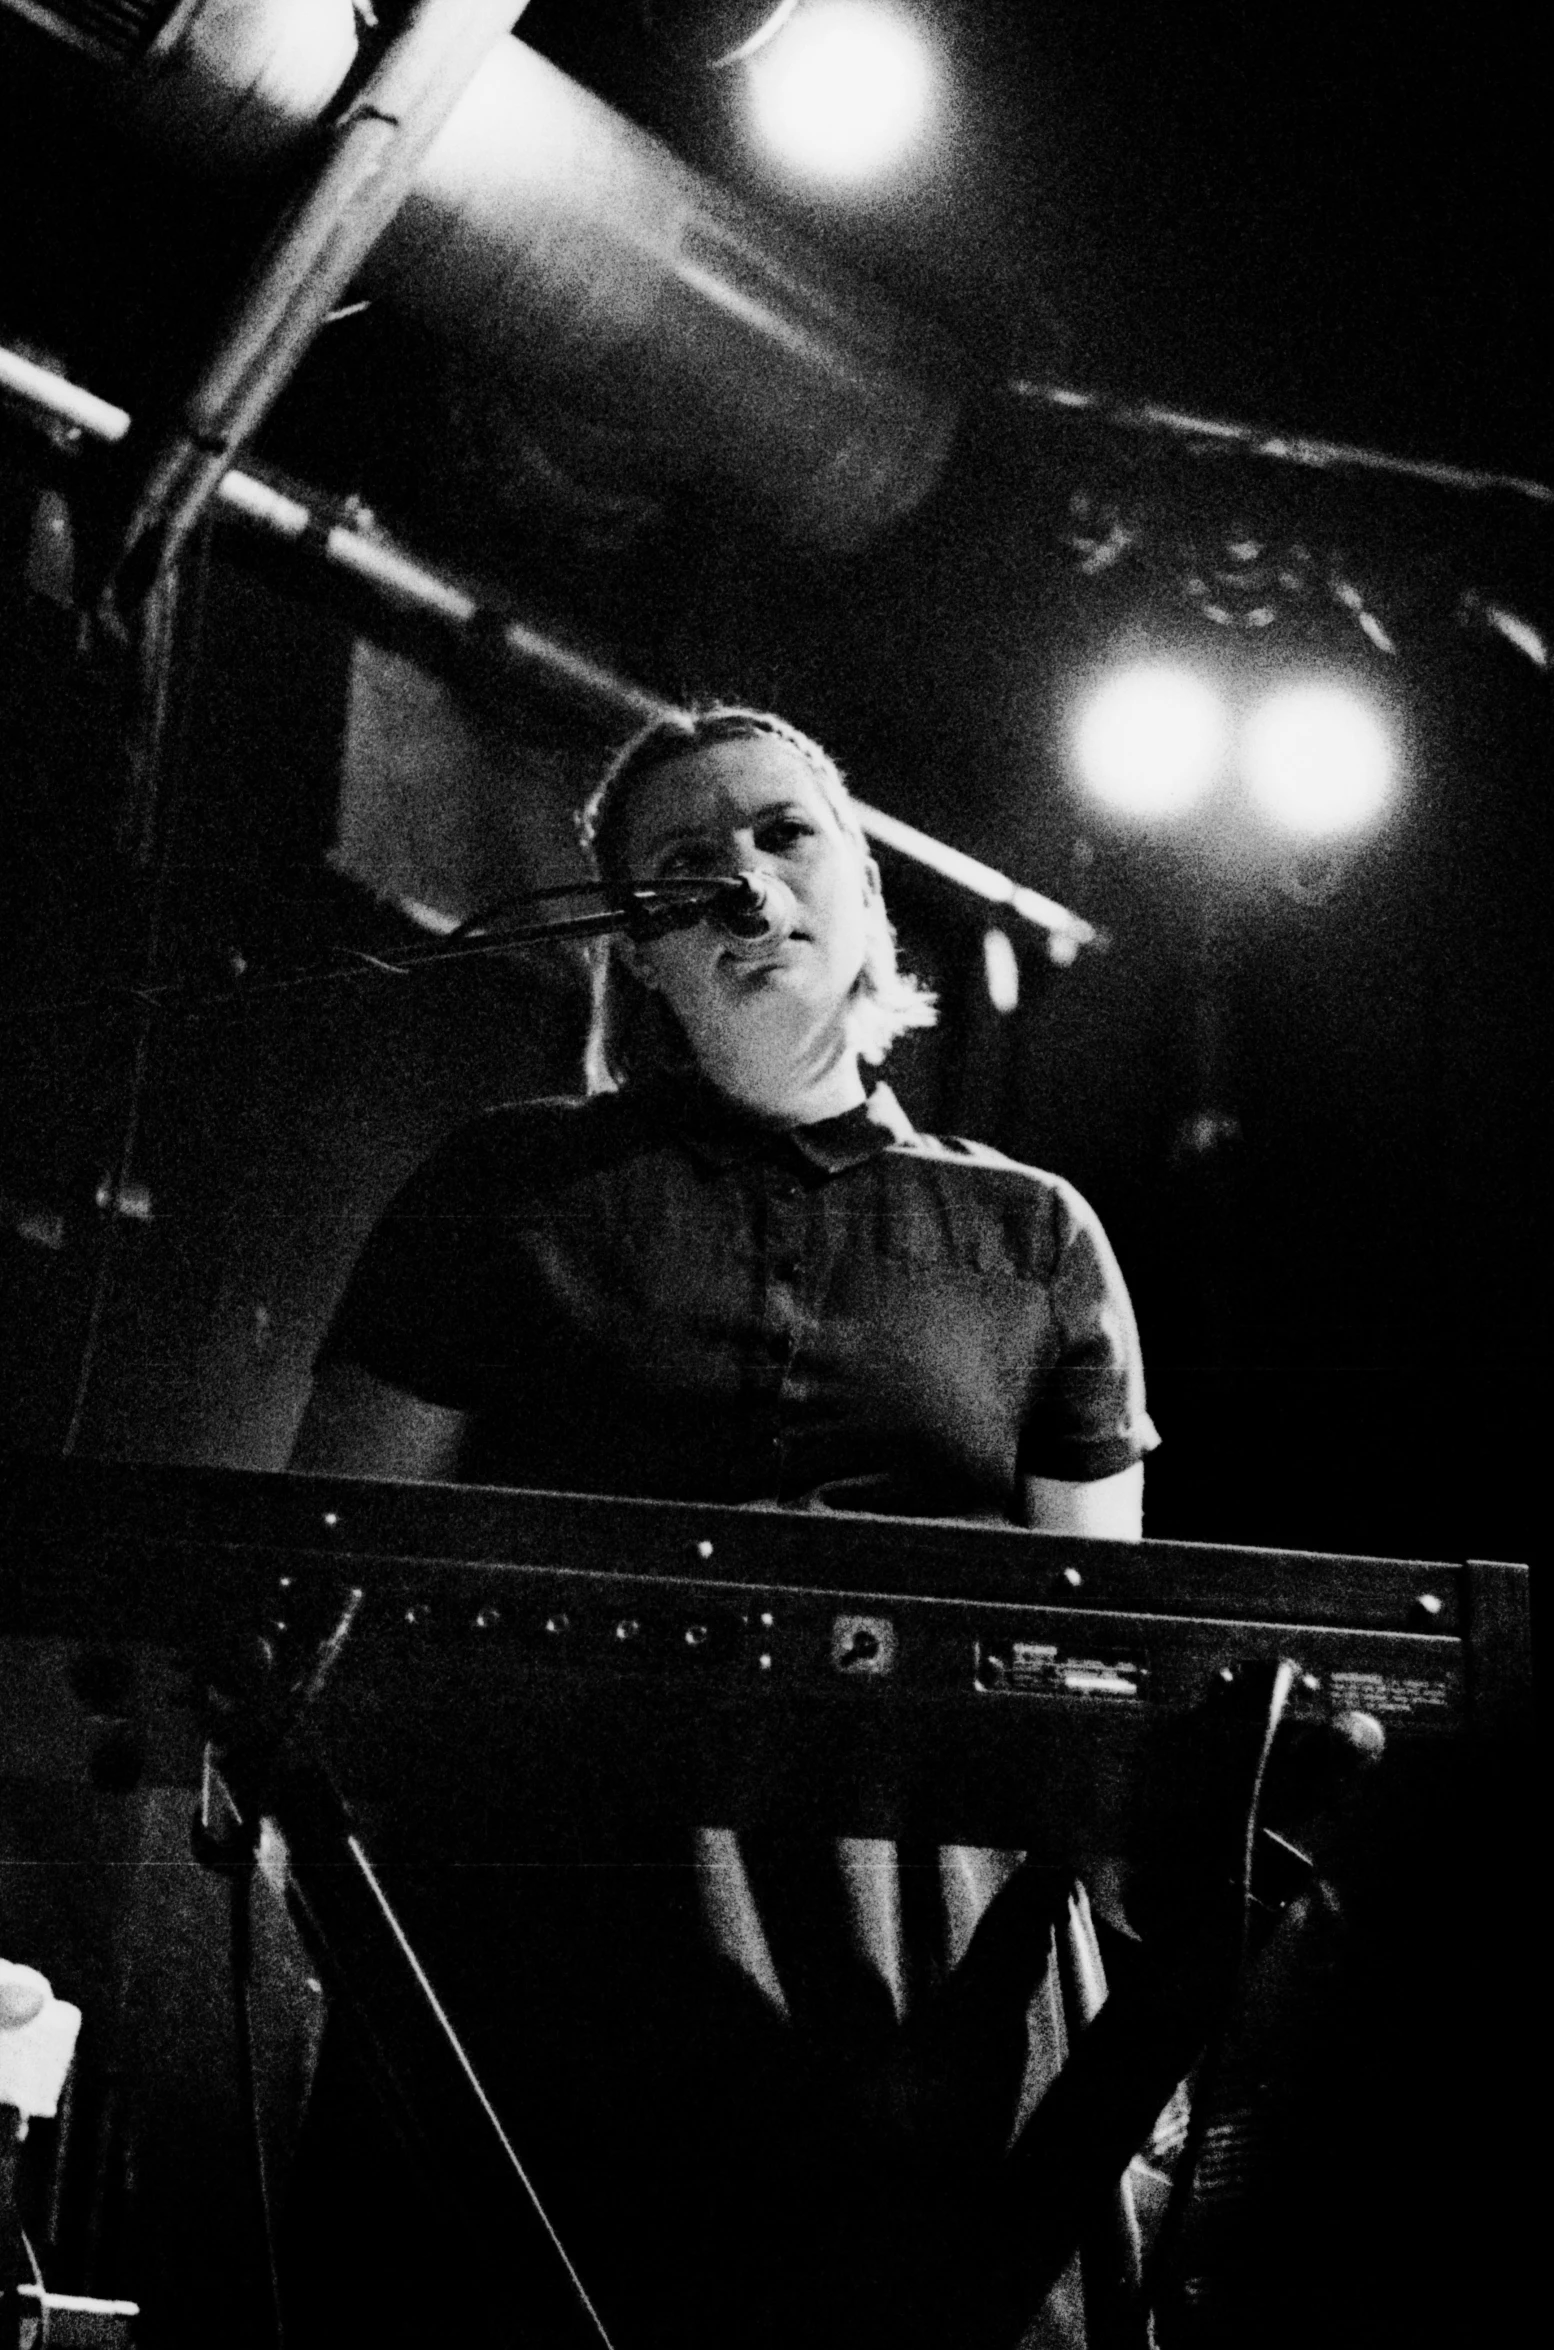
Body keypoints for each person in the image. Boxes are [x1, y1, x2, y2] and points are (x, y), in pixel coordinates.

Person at [289, 706, 1162, 2348]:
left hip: (930, 1949)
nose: (742, 881)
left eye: (781, 834)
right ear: (640, 954)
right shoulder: (508, 1182)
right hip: (549, 1921)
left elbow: (1090, 1655)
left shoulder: (1033, 1231)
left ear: (865, 900)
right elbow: (329, 1568)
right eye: (682, 867)